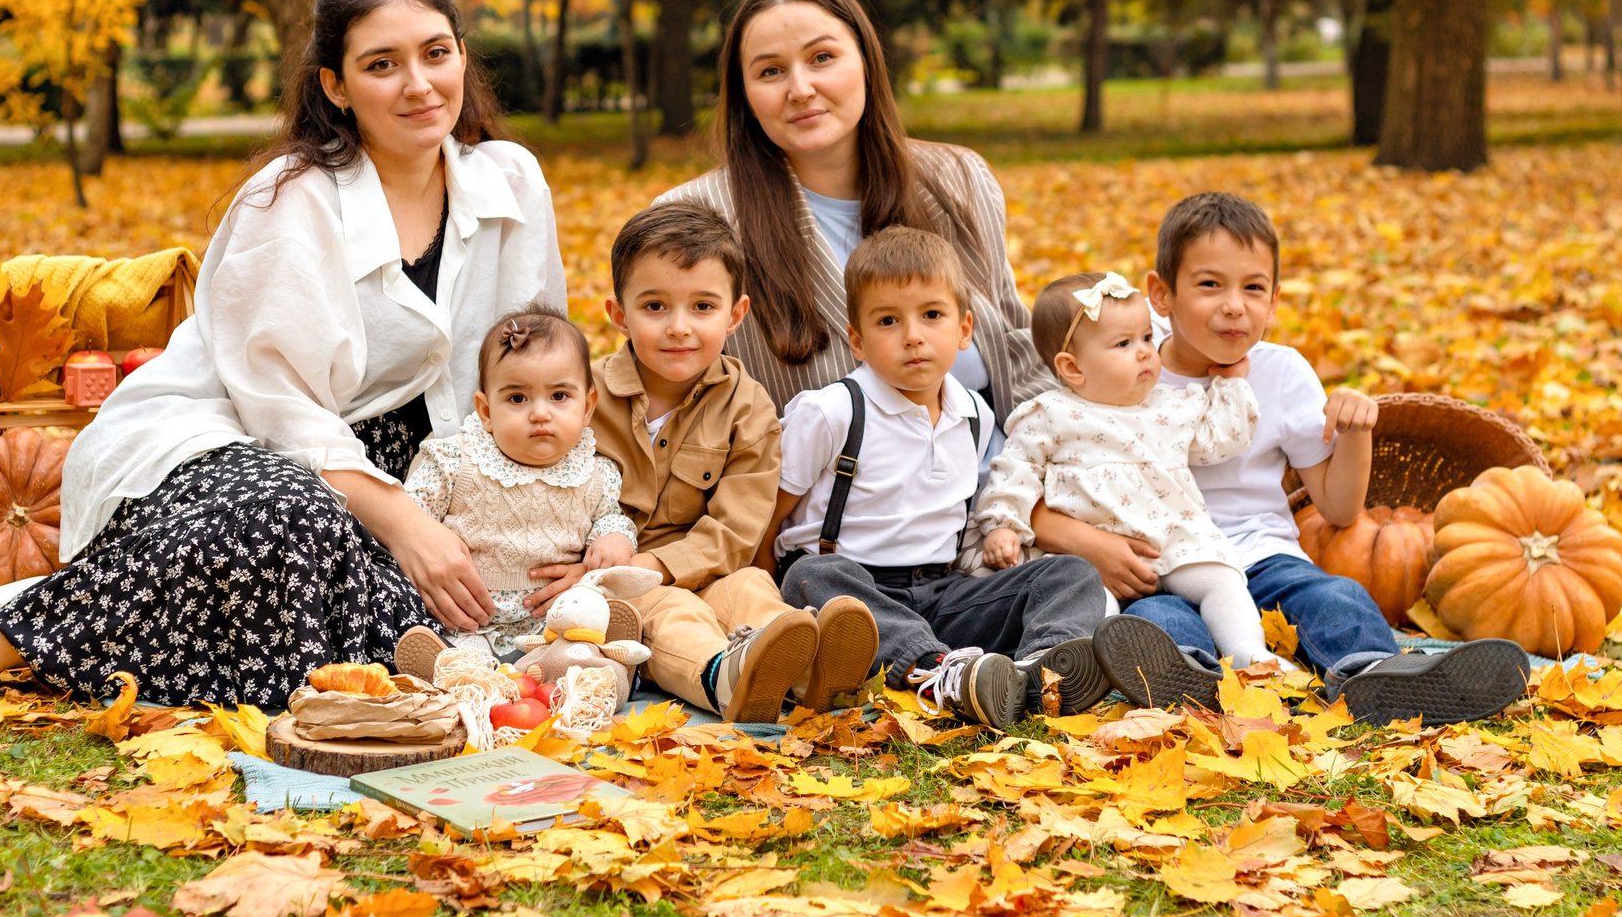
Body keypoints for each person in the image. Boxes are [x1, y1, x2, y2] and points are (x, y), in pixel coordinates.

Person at [0, 0, 564, 710]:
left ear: (463, 55)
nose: (419, 84)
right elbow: (280, 412)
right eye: (382, 64)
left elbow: (533, 362)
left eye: (435, 53)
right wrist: (404, 522)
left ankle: (140, 623)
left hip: (415, 465)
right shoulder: (289, 201)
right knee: (284, 516)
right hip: (228, 443)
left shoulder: (512, 181)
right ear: (336, 85)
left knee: (437, 634)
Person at [655, 0, 1214, 680]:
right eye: (770, 71)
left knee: (1089, 579)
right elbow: (679, 406)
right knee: (823, 590)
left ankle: (1051, 671)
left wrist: (1054, 523)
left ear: (866, 60)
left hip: (991, 533)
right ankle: (948, 674)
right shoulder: (702, 221)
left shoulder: (957, 183)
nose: (800, 87)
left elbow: (1023, 360)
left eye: (823, 57)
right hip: (843, 555)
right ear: (743, 94)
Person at [1039, 192, 1529, 725]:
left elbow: (1340, 510)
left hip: (1261, 554)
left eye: (1253, 288)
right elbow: (1052, 475)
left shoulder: (1281, 373)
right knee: (1160, 618)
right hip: (1164, 563)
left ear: (1274, 301)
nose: (1234, 305)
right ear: (1161, 294)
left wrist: (1356, 431)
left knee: (1334, 595)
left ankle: (1375, 676)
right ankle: (1191, 681)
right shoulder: (1121, 369)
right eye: (1209, 285)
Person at [767, 229, 1111, 729]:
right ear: (857, 341)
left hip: (942, 591)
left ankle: (1042, 674)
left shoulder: (975, 415)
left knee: (1070, 574)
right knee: (807, 576)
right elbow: (769, 515)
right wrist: (760, 598)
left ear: (964, 329)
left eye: (932, 315)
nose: (913, 335)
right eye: (888, 320)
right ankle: (941, 672)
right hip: (854, 593)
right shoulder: (834, 411)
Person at [588, 203, 877, 722]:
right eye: (655, 307)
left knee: (751, 588)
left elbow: (737, 528)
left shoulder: (748, 406)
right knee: (672, 613)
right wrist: (629, 570)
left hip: (713, 566)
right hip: (618, 582)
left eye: (702, 306)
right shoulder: (583, 397)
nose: (679, 327)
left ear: (735, 314)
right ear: (618, 314)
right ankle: (726, 676)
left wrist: (664, 565)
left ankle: (813, 666)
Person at [977, 272, 1270, 680]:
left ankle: (1250, 656)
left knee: (1221, 576)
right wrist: (1004, 525)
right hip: (1088, 556)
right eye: (1124, 344)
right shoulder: (1051, 414)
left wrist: (1232, 383)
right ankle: (1065, 671)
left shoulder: (1171, 406)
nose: (1146, 353)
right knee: (1086, 603)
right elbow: (1016, 469)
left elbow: (1223, 439)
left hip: (1172, 539)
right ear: (1073, 368)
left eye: (1147, 338)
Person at [386, 308, 637, 669]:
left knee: (576, 646)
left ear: (587, 406)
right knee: (461, 659)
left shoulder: (595, 474)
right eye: (517, 398)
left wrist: (615, 539)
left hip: (550, 625)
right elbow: (413, 519)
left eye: (559, 396)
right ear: (486, 411)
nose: (540, 413)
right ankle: (450, 670)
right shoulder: (456, 461)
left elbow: (611, 519)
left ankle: (597, 670)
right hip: (466, 620)